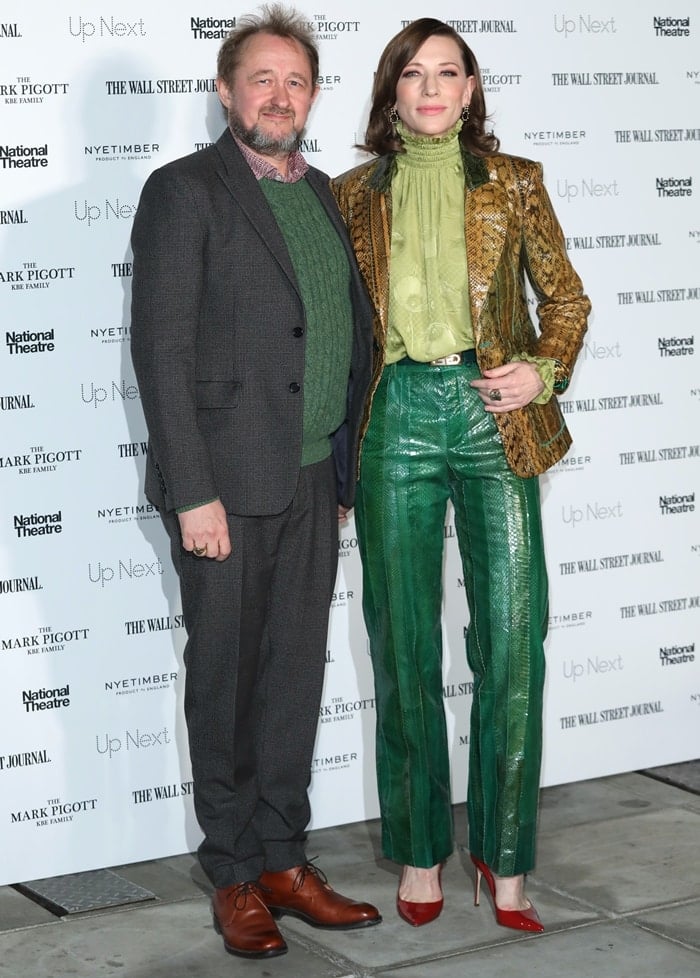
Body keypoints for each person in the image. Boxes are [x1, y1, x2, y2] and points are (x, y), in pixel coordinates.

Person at [130, 4, 380, 960]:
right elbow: (163, 349)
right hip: (224, 491)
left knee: (288, 683)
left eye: (297, 81)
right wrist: (192, 493)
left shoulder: (323, 194)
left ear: (313, 96)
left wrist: (348, 471)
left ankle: (285, 856)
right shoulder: (184, 192)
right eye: (262, 79)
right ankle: (234, 870)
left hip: (317, 477)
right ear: (228, 91)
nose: (280, 96)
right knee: (227, 684)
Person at [331, 18, 590, 931]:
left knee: (514, 642)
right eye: (414, 73)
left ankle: (505, 859)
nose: (431, 87)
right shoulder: (350, 193)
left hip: (494, 417)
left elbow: (566, 297)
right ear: (391, 89)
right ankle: (416, 852)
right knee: (402, 644)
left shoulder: (516, 184)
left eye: (449, 72)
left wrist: (543, 369)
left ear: (471, 89)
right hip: (394, 418)